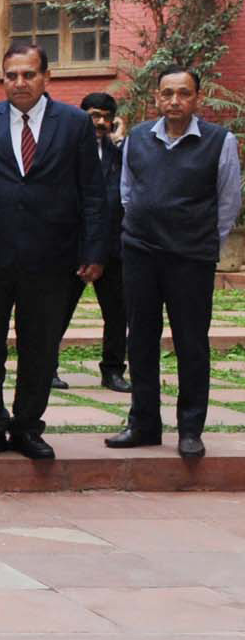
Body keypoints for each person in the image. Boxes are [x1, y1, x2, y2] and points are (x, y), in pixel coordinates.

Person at [0, 42, 107, 460]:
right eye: (11, 75)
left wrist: (94, 250)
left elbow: (92, 191)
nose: (19, 82)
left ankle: (27, 427)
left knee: (40, 348)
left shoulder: (75, 123)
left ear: (47, 77)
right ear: (2, 78)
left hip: (52, 258)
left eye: (28, 74)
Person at [108, 67, 240, 460]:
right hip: (141, 254)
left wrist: (199, 241)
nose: (175, 101)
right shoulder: (137, 138)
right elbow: (128, 193)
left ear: (197, 98)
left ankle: (190, 429)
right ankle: (144, 424)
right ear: (157, 97)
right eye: (167, 93)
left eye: (184, 93)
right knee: (141, 340)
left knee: (191, 344)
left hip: (191, 258)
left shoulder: (220, 141)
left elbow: (228, 202)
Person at [79, 91, 131, 393]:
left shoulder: (119, 153)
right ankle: (48, 370)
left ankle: (113, 370)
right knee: (56, 312)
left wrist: (119, 142)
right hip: (75, 246)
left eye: (105, 117)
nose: (99, 122)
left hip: (112, 247)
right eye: (93, 116)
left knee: (117, 313)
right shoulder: (67, 150)